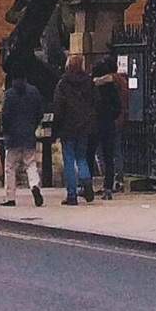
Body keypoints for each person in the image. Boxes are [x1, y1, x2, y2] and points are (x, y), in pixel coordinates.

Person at [51, 54, 99, 205]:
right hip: (84, 126)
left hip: (68, 127)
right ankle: (86, 181)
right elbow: (97, 102)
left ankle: (72, 195)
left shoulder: (63, 84)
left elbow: (58, 107)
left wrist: (56, 128)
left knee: (69, 161)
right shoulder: (89, 83)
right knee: (82, 158)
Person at [0, 72, 44, 207]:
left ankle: (10, 197)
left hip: (13, 136)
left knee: (10, 167)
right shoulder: (34, 92)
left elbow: (5, 116)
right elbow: (39, 113)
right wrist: (33, 126)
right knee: (31, 163)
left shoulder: (9, 94)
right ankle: (34, 185)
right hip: (28, 133)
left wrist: (5, 130)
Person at [91, 52, 128, 199]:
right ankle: (112, 182)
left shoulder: (97, 86)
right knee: (112, 153)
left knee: (100, 154)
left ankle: (110, 181)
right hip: (113, 121)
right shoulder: (118, 83)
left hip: (101, 123)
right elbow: (120, 104)